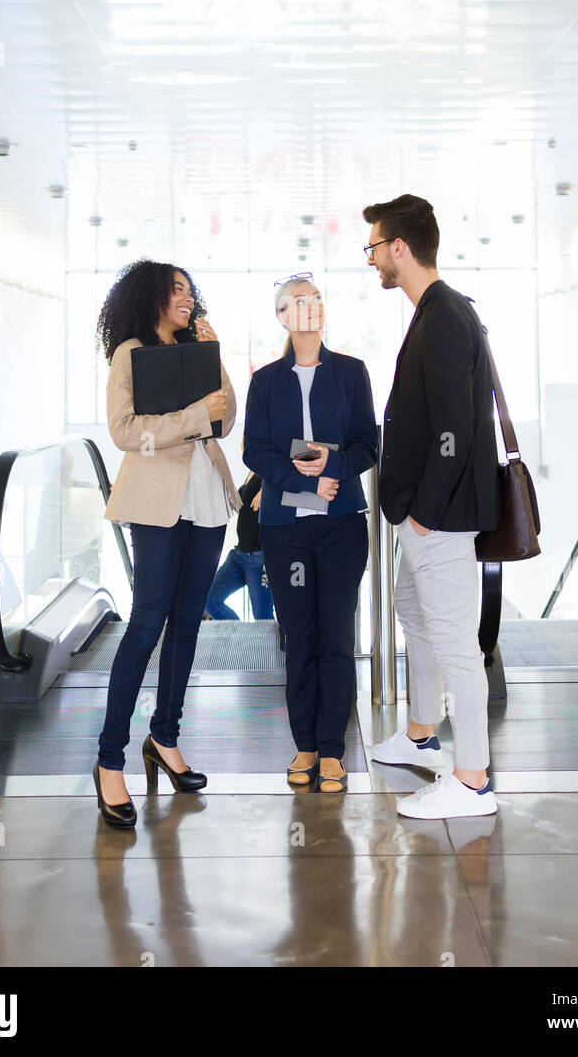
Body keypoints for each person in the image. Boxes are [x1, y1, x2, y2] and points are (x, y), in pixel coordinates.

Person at [363, 195, 500, 819]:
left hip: (437, 518)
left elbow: (455, 426)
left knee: (454, 643)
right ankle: (420, 733)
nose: (372, 261)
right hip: (422, 513)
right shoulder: (435, 311)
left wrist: (425, 511)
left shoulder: (444, 315)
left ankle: (471, 781)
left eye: (374, 248)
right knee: (416, 621)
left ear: (399, 247)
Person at [92, 260, 240, 829]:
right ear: (152, 296)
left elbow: (223, 420)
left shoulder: (197, 348)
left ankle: (165, 737)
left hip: (207, 494)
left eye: (188, 289)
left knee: (188, 621)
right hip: (156, 499)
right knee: (148, 621)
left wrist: (216, 356)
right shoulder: (130, 352)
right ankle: (110, 760)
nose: (185, 297)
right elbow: (126, 431)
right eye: (175, 289)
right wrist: (191, 416)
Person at [243, 273, 377, 793]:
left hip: (341, 526)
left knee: (337, 638)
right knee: (299, 639)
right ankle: (303, 744)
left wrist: (333, 468)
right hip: (285, 530)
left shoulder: (351, 373)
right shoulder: (266, 381)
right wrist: (301, 477)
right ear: (282, 317)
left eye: (317, 297)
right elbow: (255, 449)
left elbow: (368, 444)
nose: (311, 305)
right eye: (299, 300)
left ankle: (332, 750)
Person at [204, 471, 273, 621]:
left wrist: (267, 491)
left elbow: (285, 484)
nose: (243, 446)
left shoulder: (268, 470)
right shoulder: (251, 472)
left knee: (263, 618)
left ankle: (274, 645)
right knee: (210, 600)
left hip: (259, 557)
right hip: (238, 554)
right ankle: (241, 638)